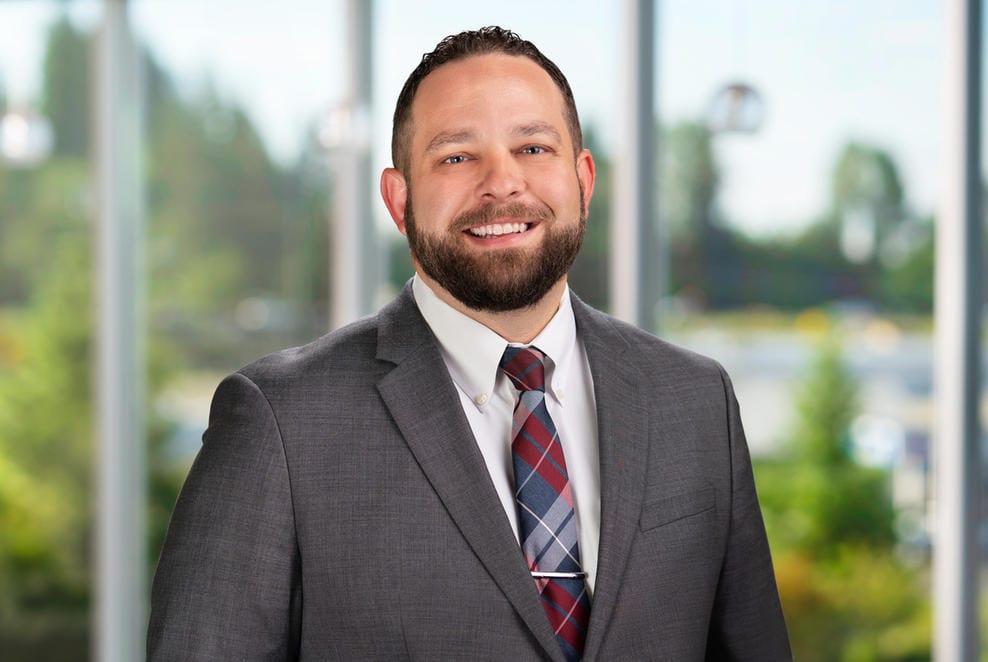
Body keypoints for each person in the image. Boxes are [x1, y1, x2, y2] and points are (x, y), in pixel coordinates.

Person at [148, 26, 791, 661]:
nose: (503, 183)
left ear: (584, 180)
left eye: (533, 148)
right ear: (399, 200)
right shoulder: (279, 421)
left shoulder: (696, 400)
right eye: (457, 157)